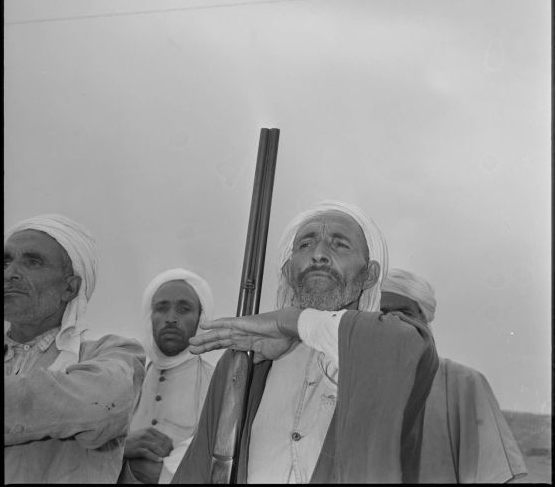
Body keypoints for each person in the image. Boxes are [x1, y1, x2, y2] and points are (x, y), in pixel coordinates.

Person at [172, 201, 439, 484]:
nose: (319, 255)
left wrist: (289, 322)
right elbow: (200, 466)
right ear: (288, 271)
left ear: (369, 275)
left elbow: (402, 346)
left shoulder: (389, 346)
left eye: (340, 245)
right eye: (305, 245)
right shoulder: (247, 361)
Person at [3, 213, 146, 484]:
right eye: (5, 261)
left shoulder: (112, 352)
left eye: (32, 262)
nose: (9, 274)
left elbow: (102, 404)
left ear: (70, 288)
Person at [381, 268, 528, 483]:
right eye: (382, 313)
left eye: (405, 313)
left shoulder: (463, 383)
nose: (394, 322)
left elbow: (494, 476)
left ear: (424, 318)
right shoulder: (347, 383)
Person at [119, 268, 215, 484]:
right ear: (149, 316)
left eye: (184, 309)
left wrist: (166, 470)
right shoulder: (126, 377)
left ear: (201, 318)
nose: (171, 318)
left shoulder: (217, 382)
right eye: (161, 308)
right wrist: (122, 448)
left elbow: (222, 457)